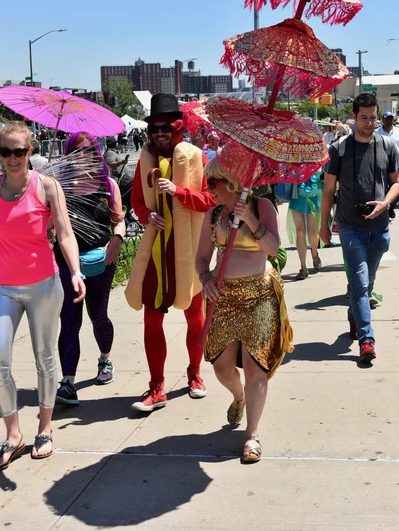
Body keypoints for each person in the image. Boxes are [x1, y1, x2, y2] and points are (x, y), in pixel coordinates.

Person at [0, 121, 85, 470]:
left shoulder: (47, 186)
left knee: (44, 356)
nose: (12, 158)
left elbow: (65, 233)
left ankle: (45, 427)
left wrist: (75, 271)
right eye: (6, 151)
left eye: (19, 151)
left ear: (30, 151)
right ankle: (13, 434)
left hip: (44, 284)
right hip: (3, 286)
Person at [195, 157, 293, 462]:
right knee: (221, 367)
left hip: (260, 295)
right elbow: (201, 258)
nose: (209, 189)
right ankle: (239, 396)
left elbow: (274, 249)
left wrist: (249, 220)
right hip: (224, 297)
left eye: (213, 183)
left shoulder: (262, 206)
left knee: (254, 366)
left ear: (232, 183)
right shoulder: (212, 215)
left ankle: (251, 435)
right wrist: (206, 278)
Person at [125, 93, 216, 411]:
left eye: (165, 126)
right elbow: (136, 201)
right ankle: (156, 388)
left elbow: (209, 200)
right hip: (156, 255)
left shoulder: (196, 158)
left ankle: (195, 375)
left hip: (188, 250)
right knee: (151, 321)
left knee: (195, 318)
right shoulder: (144, 161)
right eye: (154, 127)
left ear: (177, 126)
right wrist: (146, 215)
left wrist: (179, 192)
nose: (159, 132)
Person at [320, 93, 399, 363]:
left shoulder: (388, 146)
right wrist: (323, 227)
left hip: (379, 228)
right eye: (364, 117)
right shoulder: (339, 149)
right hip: (350, 226)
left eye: (373, 117)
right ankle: (367, 341)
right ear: (353, 117)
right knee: (360, 283)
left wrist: (385, 203)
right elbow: (328, 189)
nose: (369, 122)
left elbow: (396, 183)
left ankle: (354, 316)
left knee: (366, 284)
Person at [55, 132, 125, 405]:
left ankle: (105, 359)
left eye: (86, 151)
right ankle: (68, 384)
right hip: (66, 261)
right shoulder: (59, 187)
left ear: (95, 154)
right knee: (69, 321)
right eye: (75, 151)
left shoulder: (107, 185)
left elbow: (118, 220)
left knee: (98, 315)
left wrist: (117, 239)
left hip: (100, 260)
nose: (81, 156)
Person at [287, 173, 323, 280]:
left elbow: (324, 174)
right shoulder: (292, 157)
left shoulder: (318, 157)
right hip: (296, 196)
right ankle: (303, 268)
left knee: (313, 233)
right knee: (300, 232)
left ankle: (314, 253)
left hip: (314, 196)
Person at [376, 112, 399, 219]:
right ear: (383, 120)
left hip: (397, 164)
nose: (389, 121)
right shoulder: (376, 133)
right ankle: (385, 208)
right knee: (384, 187)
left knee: (396, 187)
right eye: (387, 119)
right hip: (382, 163)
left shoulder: (398, 132)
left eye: (391, 119)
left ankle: (389, 208)